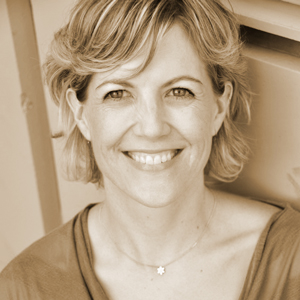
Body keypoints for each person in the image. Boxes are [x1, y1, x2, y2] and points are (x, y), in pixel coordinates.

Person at [1, 0, 300, 299]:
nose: (152, 127)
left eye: (179, 91)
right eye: (117, 93)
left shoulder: (293, 260)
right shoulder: (24, 288)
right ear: (81, 115)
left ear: (219, 108)